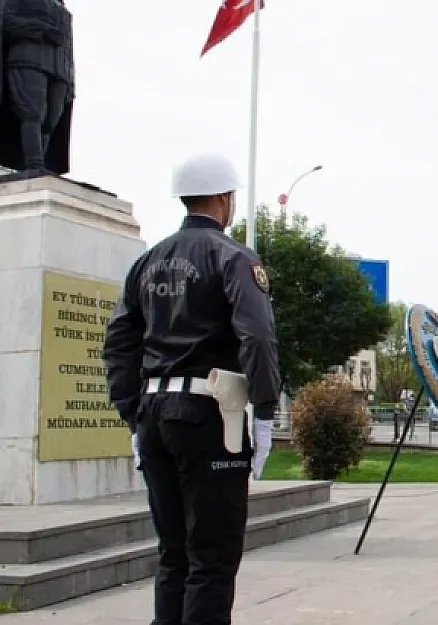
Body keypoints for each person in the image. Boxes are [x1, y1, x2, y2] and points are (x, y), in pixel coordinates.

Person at [103, 152, 282, 625]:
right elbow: (257, 337)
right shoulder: (234, 257)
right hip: (209, 415)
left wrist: (132, 413)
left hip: (154, 414)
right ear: (226, 199)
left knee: (174, 556)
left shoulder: (147, 261)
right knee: (213, 558)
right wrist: (264, 412)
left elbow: (119, 342)